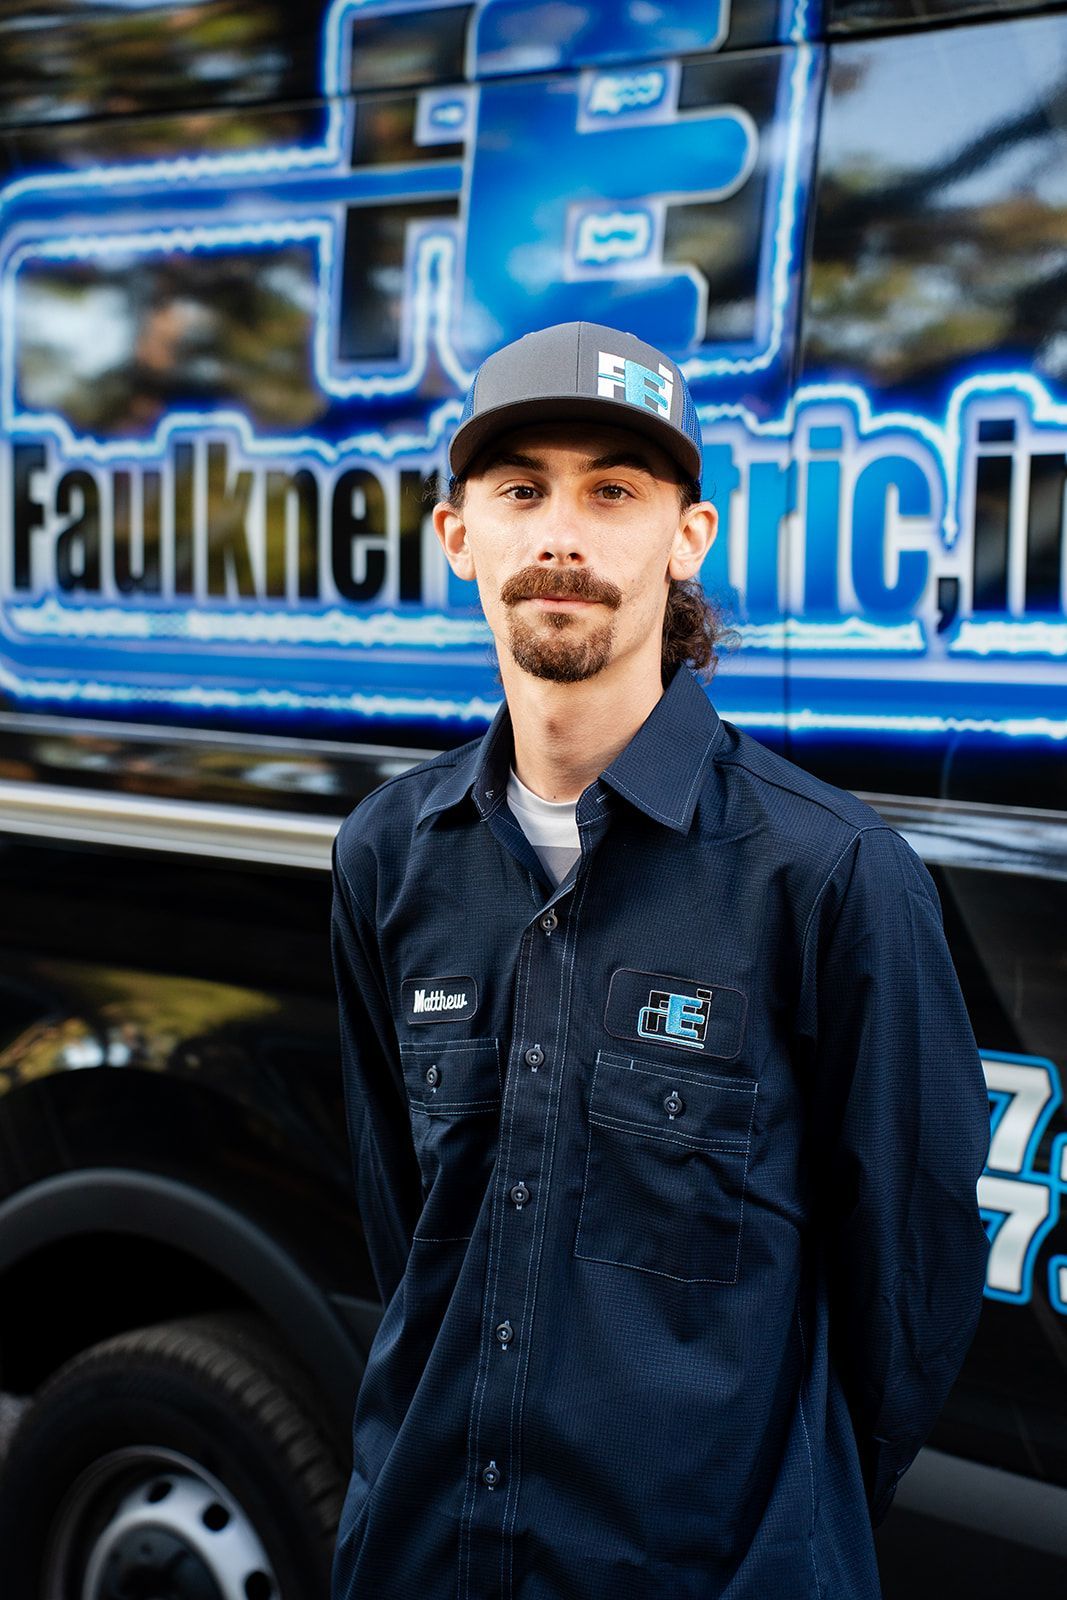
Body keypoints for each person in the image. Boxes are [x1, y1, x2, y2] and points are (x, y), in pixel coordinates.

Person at [329, 320, 990, 1599]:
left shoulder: (831, 875)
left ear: (686, 535)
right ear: (457, 532)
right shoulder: (385, 856)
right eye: (521, 489)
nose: (561, 534)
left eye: (613, 492)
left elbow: (905, 1293)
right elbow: (408, 1234)